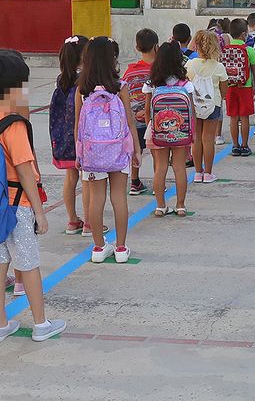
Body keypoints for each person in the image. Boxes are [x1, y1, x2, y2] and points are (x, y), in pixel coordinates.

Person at [0, 49, 67, 343]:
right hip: (17, 205)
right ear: (11, 88)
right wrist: (40, 212)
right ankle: (41, 324)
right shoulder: (12, 124)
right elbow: (26, 171)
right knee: (28, 263)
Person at [76, 36, 134, 264]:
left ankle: (98, 248)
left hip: (92, 152)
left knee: (96, 198)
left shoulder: (82, 88)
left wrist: (78, 153)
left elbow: (77, 125)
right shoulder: (120, 87)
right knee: (119, 197)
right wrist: (136, 150)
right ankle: (121, 248)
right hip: (118, 149)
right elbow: (129, 121)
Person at [143, 41, 195, 216]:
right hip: (180, 131)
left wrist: (152, 127)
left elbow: (147, 109)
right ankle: (180, 206)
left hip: (158, 130)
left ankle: (160, 206)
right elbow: (191, 110)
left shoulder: (152, 82)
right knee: (179, 167)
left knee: (161, 167)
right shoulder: (185, 84)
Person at [50, 35, 88, 235]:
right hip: (81, 135)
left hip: (64, 136)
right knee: (88, 179)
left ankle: (72, 220)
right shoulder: (85, 80)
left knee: (70, 177)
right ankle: (90, 221)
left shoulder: (62, 78)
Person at [187, 28, 227, 185]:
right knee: (208, 139)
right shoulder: (219, 67)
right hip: (213, 105)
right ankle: (208, 173)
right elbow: (224, 90)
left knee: (196, 139)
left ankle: (198, 172)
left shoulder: (190, 65)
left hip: (194, 105)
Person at [121, 28, 158, 195]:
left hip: (134, 119)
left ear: (137, 48)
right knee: (157, 151)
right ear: (157, 46)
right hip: (154, 118)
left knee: (137, 150)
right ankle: (159, 181)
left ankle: (134, 181)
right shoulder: (159, 71)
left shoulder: (130, 71)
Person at [217, 19, 255, 161]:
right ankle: (245, 145)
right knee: (245, 117)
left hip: (230, 87)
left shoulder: (224, 50)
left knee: (233, 117)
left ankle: (235, 145)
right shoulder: (249, 50)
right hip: (245, 87)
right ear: (243, 34)